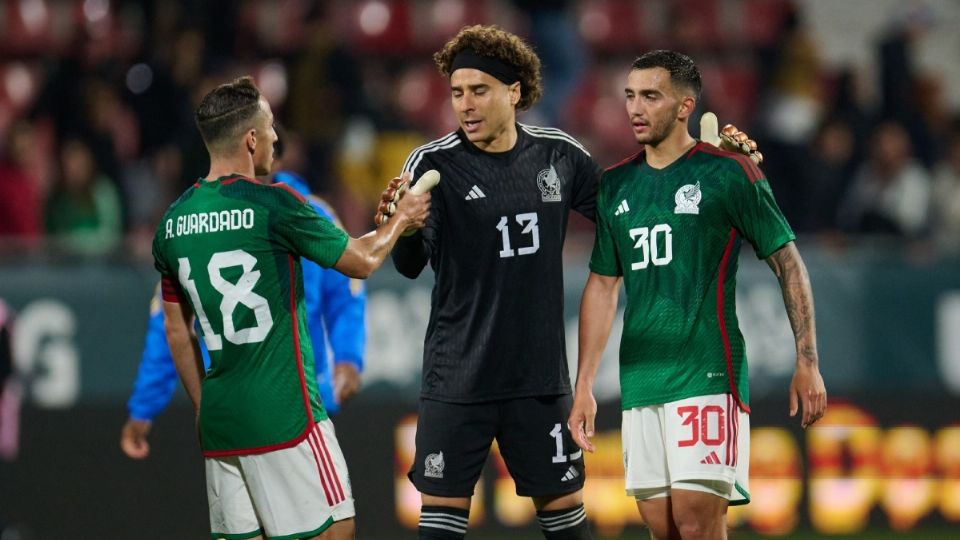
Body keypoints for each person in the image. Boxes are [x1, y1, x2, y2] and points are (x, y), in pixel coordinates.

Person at [380, 26, 761, 540]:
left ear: (514, 93)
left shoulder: (557, 154)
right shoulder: (433, 163)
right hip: (458, 378)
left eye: (479, 90)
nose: (464, 105)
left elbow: (630, 213)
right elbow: (408, 264)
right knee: (440, 528)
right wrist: (405, 229)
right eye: (456, 93)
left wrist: (713, 172)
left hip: (540, 381)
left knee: (567, 527)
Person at [152, 76, 429, 540]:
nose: (278, 138)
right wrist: (403, 217)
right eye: (272, 126)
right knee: (337, 529)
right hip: (287, 415)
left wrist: (204, 406)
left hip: (221, 420)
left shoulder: (173, 222)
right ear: (251, 138)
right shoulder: (275, 205)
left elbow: (178, 332)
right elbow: (360, 262)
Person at [567, 50, 827, 540]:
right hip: (642, 379)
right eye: (629, 96)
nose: (635, 108)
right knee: (662, 528)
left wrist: (807, 359)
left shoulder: (729, 173)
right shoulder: (615, 185)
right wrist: (583, 386)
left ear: (686, 106)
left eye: (651, 96)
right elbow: (603, 285)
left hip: (706, 371)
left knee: (695, 523)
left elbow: (787, 261)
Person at [121, 171, 366, 460]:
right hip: (293, 406)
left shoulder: (189, 219)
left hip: (231, 408)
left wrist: (348, 357)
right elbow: (351, 284)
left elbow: (170, 322)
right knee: (322, 506)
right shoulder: (303, 211)